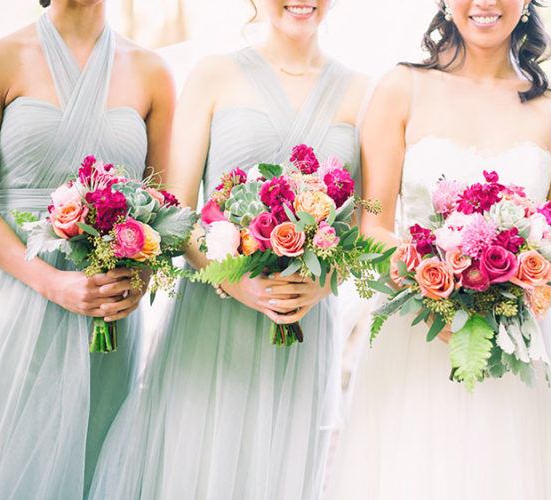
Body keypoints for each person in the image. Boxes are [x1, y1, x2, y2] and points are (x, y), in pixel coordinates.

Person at [88, 1, 368, 498]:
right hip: (214, 318)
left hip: (302, 325)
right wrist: (238, 283)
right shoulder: (214, 75)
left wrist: (319, 286)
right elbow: (176, 212)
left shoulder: (363, 93)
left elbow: (365, 226)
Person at [327, 1, 551, 498]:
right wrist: (437, 287)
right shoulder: (401, 88)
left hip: (517, 341)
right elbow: (370, 227)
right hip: (416, 334)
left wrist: (500, 289)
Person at [0, 0, 174, 498]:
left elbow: (165, 208)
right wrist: (52, 283)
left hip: (107, 316)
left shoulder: (153, 73)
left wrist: (140, 278)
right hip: (16, 303)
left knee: (95, 463)